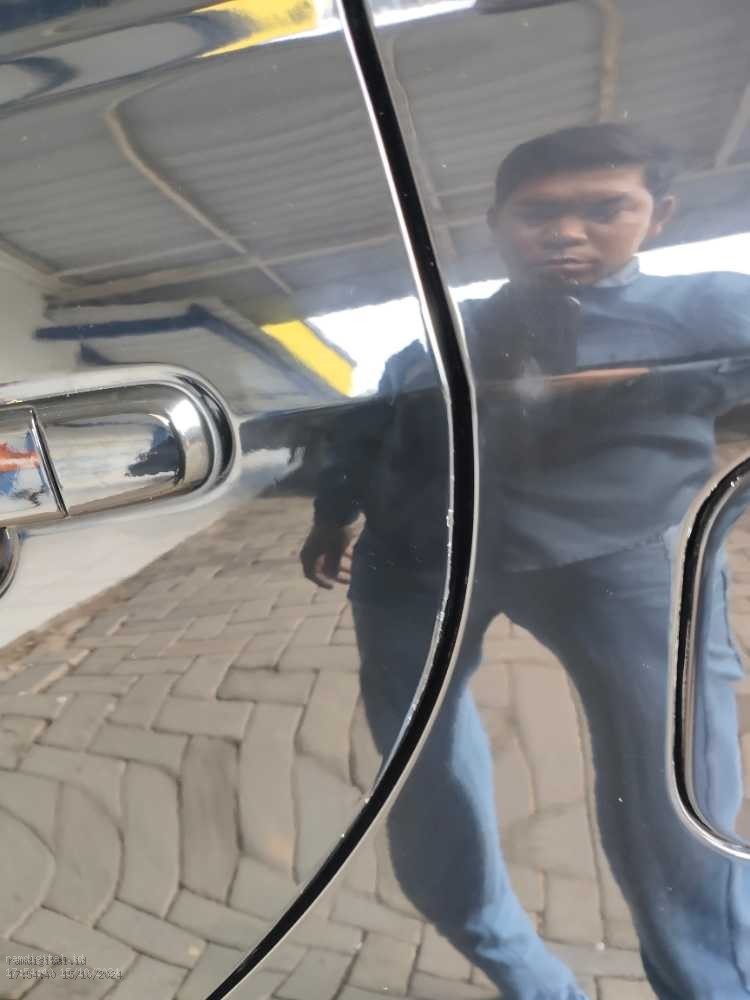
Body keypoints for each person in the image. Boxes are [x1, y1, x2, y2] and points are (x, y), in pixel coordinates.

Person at [300, 123, 750, 999]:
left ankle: (713, 986)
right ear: (498, 223)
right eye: (539, 213)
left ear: (658, 215)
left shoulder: (708, 309)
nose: (567, 232)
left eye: (604, 209)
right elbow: (366, 427)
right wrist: (332, 516)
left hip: (615, 561)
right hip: (416, 565)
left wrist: (645, 385)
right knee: (426, 787)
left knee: (676, 806)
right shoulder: (444, 333)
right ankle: (527, 977)